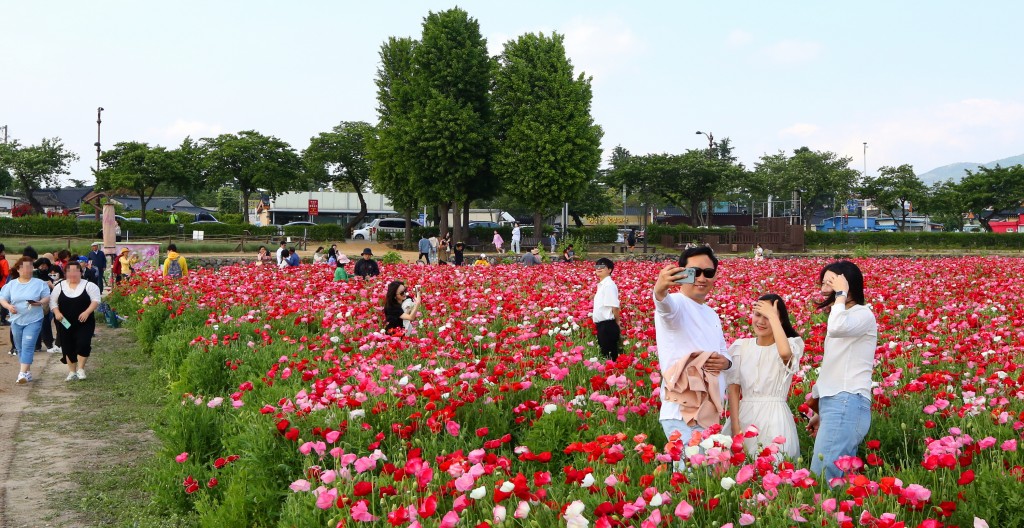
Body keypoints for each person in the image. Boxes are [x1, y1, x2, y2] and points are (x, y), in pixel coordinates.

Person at [652, 246, 732, 447]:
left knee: (703, 474)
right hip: (681, 413)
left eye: (709, 273)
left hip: (707, 413)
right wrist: (660, 289)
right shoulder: (677, 303)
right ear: (681, 273)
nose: (702, 278)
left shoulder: (712, 313)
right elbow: (664, 307)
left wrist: (725, 363)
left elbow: (723, 351)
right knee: (690, 474)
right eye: (694, 272)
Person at [806, 261, 877, 484]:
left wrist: (840, 293)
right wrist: (822, 412)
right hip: (839, 403)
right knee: (836, 478)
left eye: (831, 282)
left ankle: (823, 518)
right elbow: (834, 368)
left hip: (846, 400)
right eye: (823, 282)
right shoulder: (845, 316)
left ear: (847, 285)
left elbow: (836, 328)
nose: (824, 289)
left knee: (824, 476)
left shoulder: (862, 314)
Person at [723, 294, 803, 459]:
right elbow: (734, 388)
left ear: (779, 321)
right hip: (745, 415)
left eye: (768, 317)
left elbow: (785, 354)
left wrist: (773, 316)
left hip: (775, 417)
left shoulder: (792, 345)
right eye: (758, 314)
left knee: (774, 467)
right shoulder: (741, 347)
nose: (761, 321)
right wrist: (735, 426)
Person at [0, 257, 51, 384]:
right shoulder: (11, 284)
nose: (28, 270)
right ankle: (27, 372)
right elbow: (3, 299)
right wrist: (9, 307)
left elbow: (47, 297)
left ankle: (21, 373)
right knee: (19, 347)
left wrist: (39, 302)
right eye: (25, 267)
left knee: (28, 345)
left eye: (30, 267)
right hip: (16, 320)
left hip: (34, 319)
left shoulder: (39, 283)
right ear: (18, 269)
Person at [50, 261, 101, 381]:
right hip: (64, 322)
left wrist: (87, 312)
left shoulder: (89, 285)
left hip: (84, 321)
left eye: (75, 271)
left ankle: (81, 369)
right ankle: (72, 372)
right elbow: (53, 302)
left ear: (80, 272)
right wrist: (57, 313)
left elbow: (96, 300)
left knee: (83, 343)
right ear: (66, 273)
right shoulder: (60, 286)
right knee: (67, 345)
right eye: (69, 271)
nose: (72, 274)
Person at [592, 258, 621, 360]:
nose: (598, 268)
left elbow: (615, 306)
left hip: (608, 325)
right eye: (597, 266)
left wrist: (617, 323)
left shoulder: (609, 285)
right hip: (602, 325)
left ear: (609, 270)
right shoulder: (603, 285)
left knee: (610, 357)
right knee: (605, 355)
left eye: (602, 266)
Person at [33, 257, 62, 355]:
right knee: (56, 325)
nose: (43, 268)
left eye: (55, 273)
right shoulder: (35, 274)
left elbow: (60, 294)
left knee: (63, 325)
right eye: (42, 266)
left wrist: (51, 285)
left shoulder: (62, 282)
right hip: (51, 307)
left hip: (61, 309)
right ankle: (56, 344)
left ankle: (59, 344)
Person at [0, 244, 10, 325]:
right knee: (4, 301)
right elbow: (6, 273)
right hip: (2, 284)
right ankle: (3, 320)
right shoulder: (4, 261)